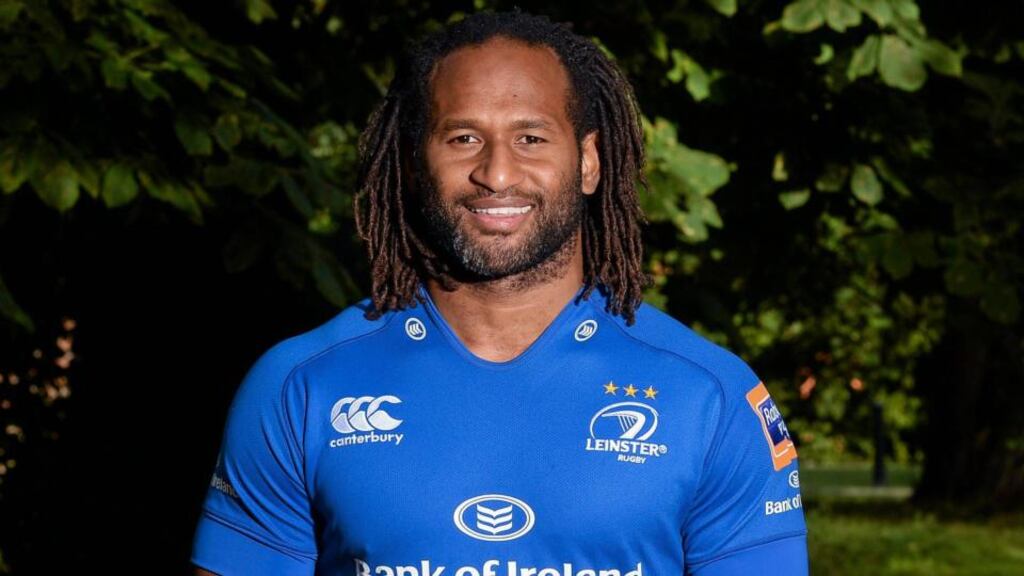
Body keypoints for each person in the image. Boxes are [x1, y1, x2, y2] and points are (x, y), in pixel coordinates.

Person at [190, 10, 808, 576]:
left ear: (588, 161)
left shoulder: (711, 395)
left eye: (531, 138)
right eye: (463, 138)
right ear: (411, 161)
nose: (497, 173)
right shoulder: (301, 385)